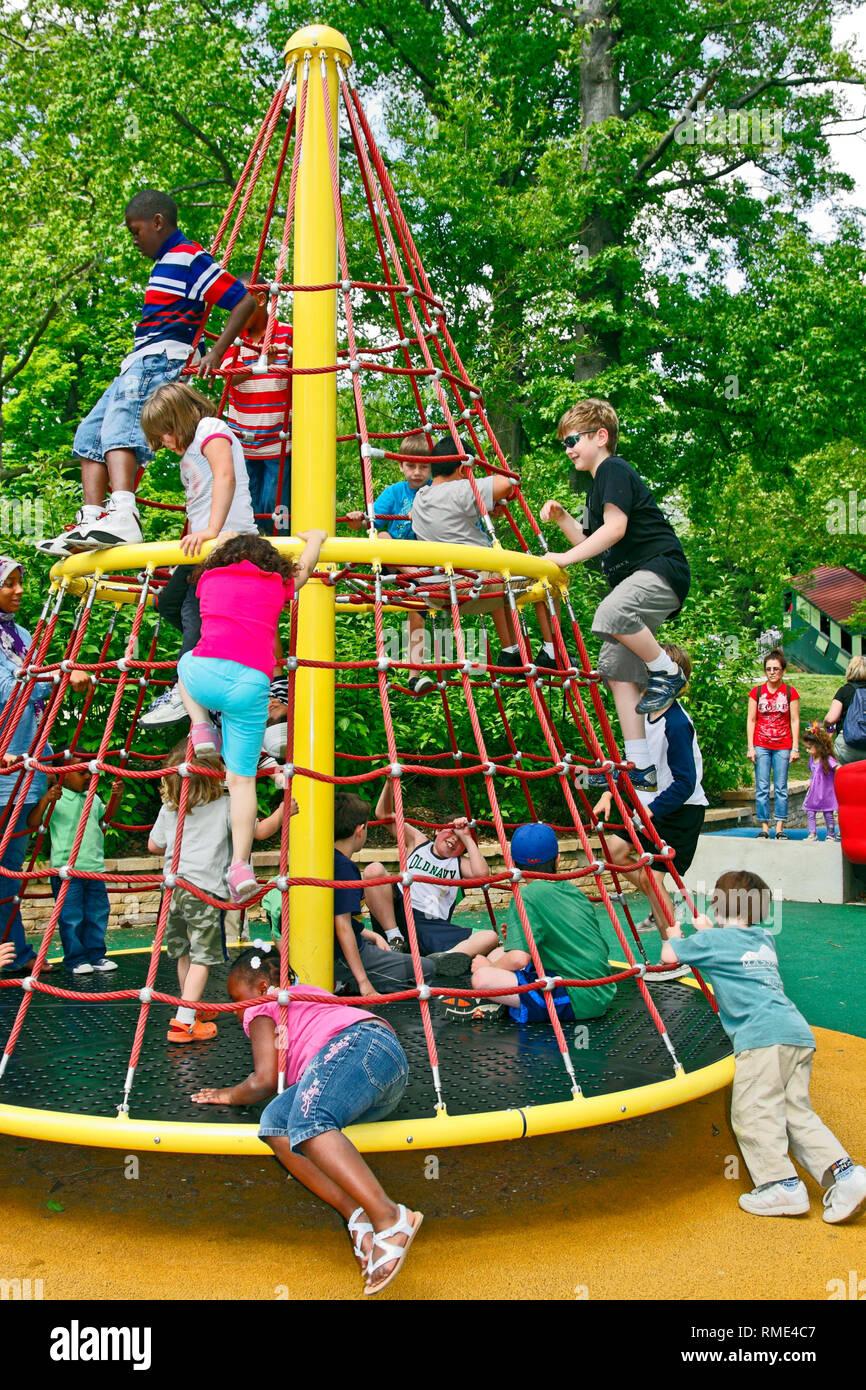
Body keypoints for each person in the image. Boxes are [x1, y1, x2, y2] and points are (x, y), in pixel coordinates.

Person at [191, 946, 422, 1294]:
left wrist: (228, 1094)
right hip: (379, 1075)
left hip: (356, 1047)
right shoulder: (310, 994)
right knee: (276, 1123)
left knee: (311, 1119)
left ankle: (390, 1217)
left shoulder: (266, 1005)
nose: (239, 1012)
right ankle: (357, 1214)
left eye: (238, 1000)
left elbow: (265, 1078)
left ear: (264, 987)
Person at [38, 189, 255, 557]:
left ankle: (124, 510)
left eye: (136, 231)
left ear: (158, 222)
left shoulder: (188, 256)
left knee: (122, 424)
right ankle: (93, 516)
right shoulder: (163, 263)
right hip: (138, 358)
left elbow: (243, 299)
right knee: (91, 433)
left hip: (162, 356)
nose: (134, 240)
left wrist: (216, 353)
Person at [660, 870, 866, 1223]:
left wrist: (675, 934)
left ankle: (780, 1185)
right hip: (795, 1034)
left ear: (717, 907)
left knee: (753, 1112)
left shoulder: (713, 943)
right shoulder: (763, 940)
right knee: (796, 1113)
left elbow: (669, 957)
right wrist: (710, 931)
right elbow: (730, 947)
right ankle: (846, 1177)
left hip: (761, 1040)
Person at [542, 399, 691, 791]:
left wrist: (563, 558)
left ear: (601, 436)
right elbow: (597, 545)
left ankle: (666, 670)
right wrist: (564, 521)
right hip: (638, 579)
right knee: (615, 667)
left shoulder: (613, 468)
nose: (569, 447)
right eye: (564, 443)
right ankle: (640, 766)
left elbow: (617, 529)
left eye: (574, 439)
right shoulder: (597, 488)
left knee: (610, 614)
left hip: (661, 569)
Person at [171, 530, 325, 903]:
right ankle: (240, 865)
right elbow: (304, 569)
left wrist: (226, 534)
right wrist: (315, 540)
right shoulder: (277, 582)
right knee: (241, 782)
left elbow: (218, 549)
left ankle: (202, 726)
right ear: (271, 563)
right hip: (251, 684)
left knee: (184, 662)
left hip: (204, 672)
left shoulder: (209, 579)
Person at [138, 381, 261, 728]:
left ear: (181, 417)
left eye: (165, 433)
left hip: (228, 543)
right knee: (169, 604)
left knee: (194, 608)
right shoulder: (193, 447)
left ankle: (187, 687)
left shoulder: (211, 428)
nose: (164, 442)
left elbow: (225, 476)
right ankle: (215, 665)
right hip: (207, 545)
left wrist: (211, 530)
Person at [147, 740, 289, 1041]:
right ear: (216, 777)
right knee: (201, 958)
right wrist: (283, 811)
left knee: (184, 955)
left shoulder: (169, 808)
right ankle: (183, 1022)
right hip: (203, 894)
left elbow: (153, 846)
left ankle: (192, 1005)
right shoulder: (228, 806)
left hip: (172, 891)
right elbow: (260, 832)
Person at [410, 434, 564, 671]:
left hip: (436, 592)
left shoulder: (420, 499)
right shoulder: (460, 488)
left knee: (503, 574)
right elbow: (509, 483)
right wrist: (498, 495)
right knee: (549, 576)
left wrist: (487, 506)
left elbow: (450, 518)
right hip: (472, 585)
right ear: (464, 470)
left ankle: (512, 652)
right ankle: (553, 652)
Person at [593, 642, 708, 951]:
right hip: (653, 806)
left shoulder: (677, 724)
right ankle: (663, 905)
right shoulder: (643, 713)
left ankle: (675, 945)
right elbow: (632, 763)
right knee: (615, 851)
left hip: (681, 811)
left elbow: (685, 783)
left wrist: (650, 812)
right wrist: (607, 792)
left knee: (653, 878)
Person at [466, 822, 616, 1023]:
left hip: (579, 998)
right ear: (558, 860)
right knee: (497, 953)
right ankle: (507, 1000)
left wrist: (488, 968)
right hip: (601, 988)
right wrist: (514, 939)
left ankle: (501, 1003)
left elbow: (519, 959)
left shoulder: (526, 895)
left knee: (482, 977)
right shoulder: (574, 892)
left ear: (513, 864)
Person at [367, 779, 499, 960]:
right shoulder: (418, 842)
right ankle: (394, 938)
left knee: (490, 937)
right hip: (397, 914)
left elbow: (482, 875)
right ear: (437, 831)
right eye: (451, 831)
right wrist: (390, 782)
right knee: (374, 870)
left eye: (460, 840)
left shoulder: (459, 863)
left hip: (432, 925)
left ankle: (443, 959)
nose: (454, 839)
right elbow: (383, 814)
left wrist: (467, 836)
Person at [0, 557, 56, 977]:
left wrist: (47, 754)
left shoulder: (19, 635)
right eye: (8, 584)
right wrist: (54, 675)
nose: (19, 590)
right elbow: (7, 688)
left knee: (12, 870)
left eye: (20, 582)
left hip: (27, 764)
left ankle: (14, 949)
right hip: (4, 765)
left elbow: (32, 702)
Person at [346, 432, 434, 695]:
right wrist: (357, 520)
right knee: (382, 534)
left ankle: (415, 674)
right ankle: (407, 568)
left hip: (424, 565)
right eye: (411, 465)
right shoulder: (395, 492)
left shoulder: (436, 491)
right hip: (393, 565)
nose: (417, 472)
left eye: (424, 466)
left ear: (432, 467)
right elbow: (372, 523)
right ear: (401, 465)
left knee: (417, 616)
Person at [25, 753, 116, 975]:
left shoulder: (92, 798)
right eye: (81, 772)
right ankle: (76, 959)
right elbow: (33, 822)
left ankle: (96, 956)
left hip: (94, 869)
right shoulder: (57, 798)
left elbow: (105, 820)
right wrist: (47, 799)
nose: (87, 777)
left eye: (89, 772)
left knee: (97, 914)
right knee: (71, 917)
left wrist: (116, 798)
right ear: (62, 776)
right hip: (66, 871)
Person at [221, 273, 293, 536]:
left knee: (277, 511)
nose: (234, 311)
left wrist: (279, 364)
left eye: (238, 303)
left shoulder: (287, 335)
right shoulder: (234, 337)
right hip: (243, 444)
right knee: (245, 512)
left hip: (279, 442)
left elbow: (302, 383)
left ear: (261, 299)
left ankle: (280, 560)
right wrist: (258, 365)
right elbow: (229, 379)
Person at [747, 648, 800, 839]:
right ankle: (764, 826)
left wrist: (795, 747)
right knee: (762, 786)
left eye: (776, 669)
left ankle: (779, 827)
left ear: (783, 670)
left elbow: (794, 720)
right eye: (768, 669)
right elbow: (751, 720)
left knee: (780, 786)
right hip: (761, 743)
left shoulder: (790, 692)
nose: (772, 672)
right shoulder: (757, 692)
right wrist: (750, 747)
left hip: (783, 744)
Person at [823, 654, 866, 766]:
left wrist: (826, 725)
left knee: (842, 777)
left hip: (847, 746)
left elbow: (831, 719)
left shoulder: (845, 691)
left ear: (850, 670)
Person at [802, 725, 838, 843]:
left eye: (809, 748)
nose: (807, 750)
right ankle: (812, 834)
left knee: (828, 813)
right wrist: (810, 781)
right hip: (814, 791)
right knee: (810, 811)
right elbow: (813, 773)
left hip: (826, 791)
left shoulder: (827, 759)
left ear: (818, 746)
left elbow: (838, 768)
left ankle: (831, 834)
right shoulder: (812, 759)